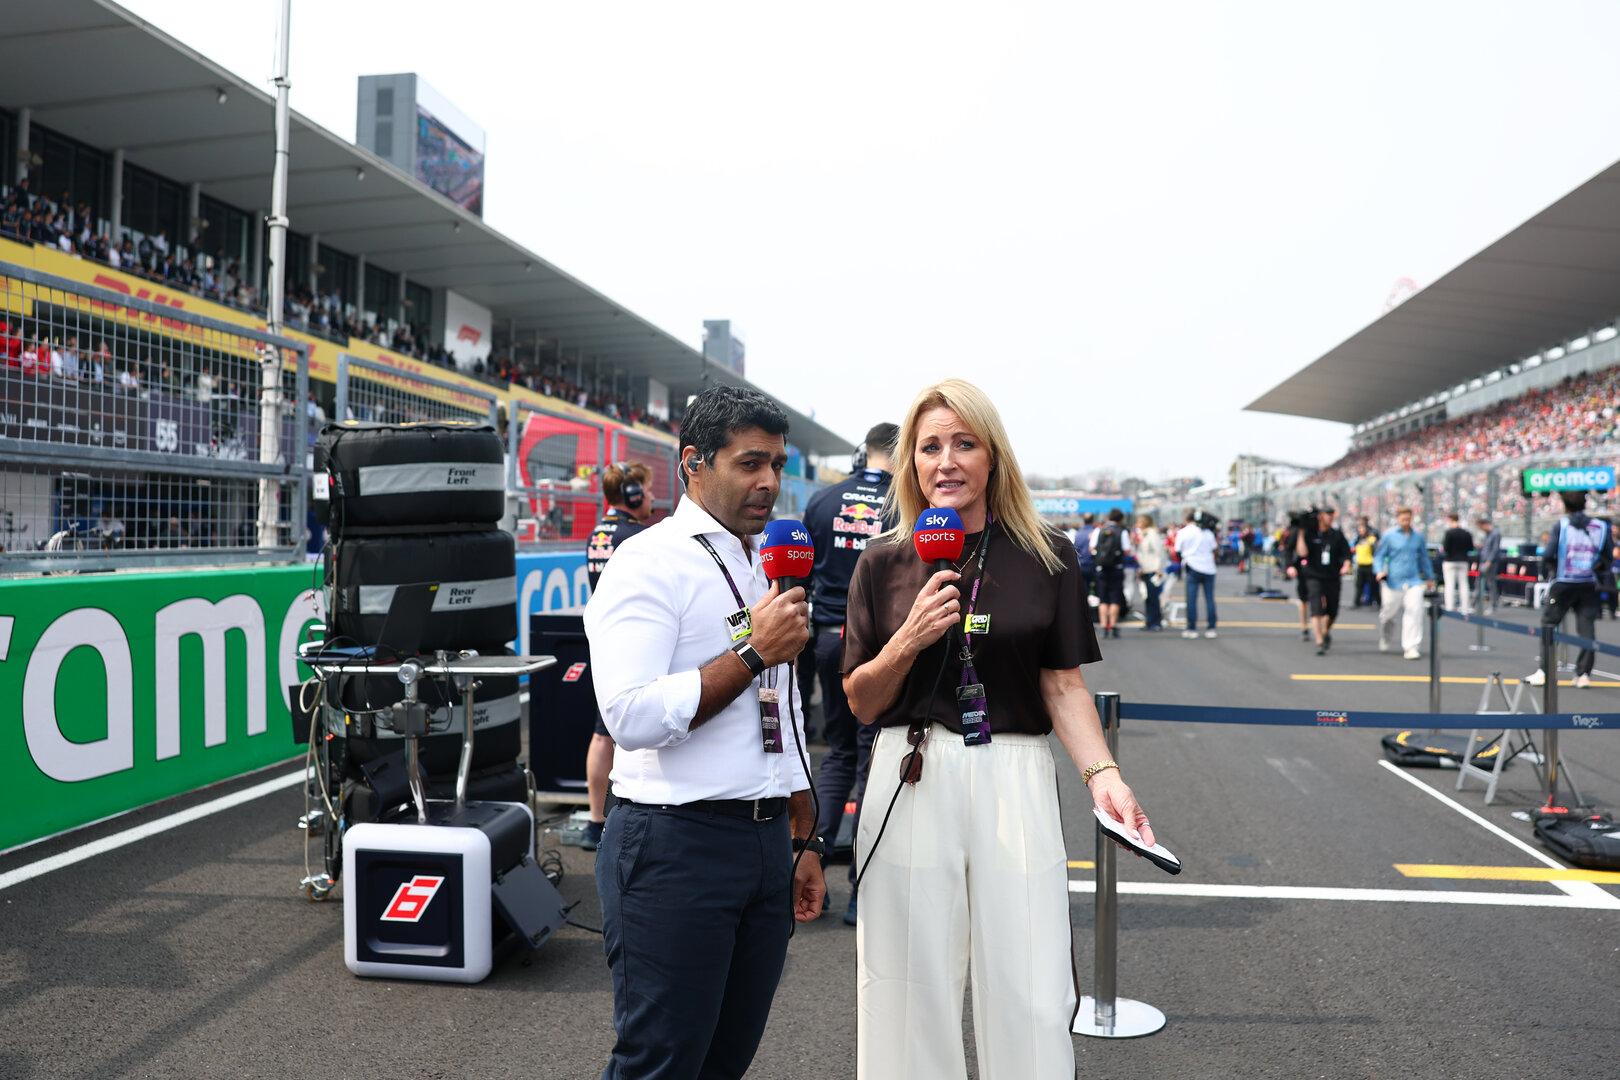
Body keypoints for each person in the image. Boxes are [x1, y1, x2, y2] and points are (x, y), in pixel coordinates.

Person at [840, 378, 1151, 1080]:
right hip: (910, 768)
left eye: (963, 443)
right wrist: (907, 640)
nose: (945, 461)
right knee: (905, 988)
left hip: (1014, 770)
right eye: (929, 447)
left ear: (993, 458)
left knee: (1032, 983)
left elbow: (1063, 685)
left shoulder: (1049, 554)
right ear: (909, 465)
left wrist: (1106, 777)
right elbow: (860, 701)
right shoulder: (881, 561)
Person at [584, 386, 823, 1080]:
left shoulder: (765, 561)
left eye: (777, 464)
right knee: (660, 1064)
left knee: (724, 1063)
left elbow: (784, 704)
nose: (770, 482)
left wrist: (802, 834)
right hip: (672, 846)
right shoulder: (647, 561)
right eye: (751, 463)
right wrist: (752, 653)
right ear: (693, 462)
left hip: (763, 840)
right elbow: (629, 716)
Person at [802, 421, 897, 927]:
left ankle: (806, 870)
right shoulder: (907, 500)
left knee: (838, 756)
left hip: (826, 639)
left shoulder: (822, 500)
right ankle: (863, 889)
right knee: (872, 761)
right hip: (879, 647)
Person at [577, 461, 655, 851]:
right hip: (630, 642)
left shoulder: (597, 533)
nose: (653, 498)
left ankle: (595, 820)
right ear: (634, 495)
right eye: (648, 490)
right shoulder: (637, 537)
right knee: (622, 730)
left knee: (601, 731)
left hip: (601, 637)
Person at [1525, 491, 1612, 690]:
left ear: (1566, 506)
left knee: (1549, 624)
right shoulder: (1600, 526)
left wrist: (1552, 571)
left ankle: (1545, 670)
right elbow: (1607, 557)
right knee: (1586, 629)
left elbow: (1548, 553)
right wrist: (1594, 569)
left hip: (1564, 582)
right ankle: (1583, 674)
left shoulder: (1562, 525)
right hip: (1588, 583)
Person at [1374, 506, 1434, 660]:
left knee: (1414, 611)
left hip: (1413, 580)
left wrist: (1429, 577)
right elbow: (1379, 556)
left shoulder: (1418, 537)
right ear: (1398, 519)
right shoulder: (1389, 536)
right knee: (1388, 614)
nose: (1406, 522)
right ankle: (1386, 637)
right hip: (1393, 582)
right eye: (1403, 519)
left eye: (1408, 519)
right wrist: (1379, 570)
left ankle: (1411, 646)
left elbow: (1424, 558)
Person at [1297, 505, 1352, 656]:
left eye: (1331, 514)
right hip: (1314, 575)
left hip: (1332, 575)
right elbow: (1302, 553)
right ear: (1320, 516)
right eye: (1327, 514)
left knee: (1332, 610)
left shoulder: (1337, 535)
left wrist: (1346, 565)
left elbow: (1347, 554)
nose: (1329, 517)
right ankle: (1319, 641)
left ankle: (1325, 630)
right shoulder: (1310, 533)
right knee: (1316, 608)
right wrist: (1301, 531)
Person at [1089, 507, 1132, 638]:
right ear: (1120, 519)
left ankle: (1103, 626)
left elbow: (1092, 548)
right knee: (1115, 598)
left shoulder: (1099, 530)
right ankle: (1112, 625)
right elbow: (1127, 551)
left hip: (1101, 568)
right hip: (1116, 568)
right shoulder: (1122, 532)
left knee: (1103, 598)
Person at [1176, 510, 1219, 639]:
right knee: (1210, 598)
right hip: (1209, 568)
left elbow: (1177, 551)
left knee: (1191, 599)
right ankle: (1211, 627)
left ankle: (1192, 628)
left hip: (1192, 567)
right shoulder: (1208, 533)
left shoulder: (1183, 532)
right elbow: (1214, 549)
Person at [1135, 512, 1167, 631]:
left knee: (1153, 597)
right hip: (1147, 568)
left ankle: (1156, 622)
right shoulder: (1144, 534)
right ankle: (1150, 620)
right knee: (1148, 597)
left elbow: (1159, 552)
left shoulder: (1151, 534)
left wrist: (1159, 568)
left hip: (1153, 569)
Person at [1441, 512, 1475, 614]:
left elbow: (1445, 548)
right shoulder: (1466, 533)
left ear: (1450, 520)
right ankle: (1465, 607)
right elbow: (1471, 548)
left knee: (1449, 585)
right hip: (1463, 560)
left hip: (1450, 561)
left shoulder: (1449, 533)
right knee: (1464, 584)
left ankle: (1449, 606)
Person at [1475, 517, 1502, 615]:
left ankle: (1493, 605)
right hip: (1484, 560)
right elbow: (1489, 548)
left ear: (1484, 524)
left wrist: (1489, 562)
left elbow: (1495, 549)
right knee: (1478, 583)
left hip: (1491, 563)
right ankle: (1476, 604)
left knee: (1491, 584)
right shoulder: (1488, 534)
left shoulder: (1496, 533)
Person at [1072, 511, 1097, 599]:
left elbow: (1075, 549)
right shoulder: (1095, 532)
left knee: (1083, 591)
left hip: (1082, 565)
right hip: (1094, 564)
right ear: (1093, 520)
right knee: (1096, 590)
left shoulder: (1079, 533)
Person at [1352, 521, 1378, 607]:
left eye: (1362, 529)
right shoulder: (1358, 540)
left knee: (1373, 585)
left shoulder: (1371, 539)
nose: (1361, 531)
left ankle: (1378, 602)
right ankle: (1356, 603)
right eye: (1359, 529)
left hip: (1370, 565)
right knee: (1359, 585)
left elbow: (1375, 549)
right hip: (1361, 565)